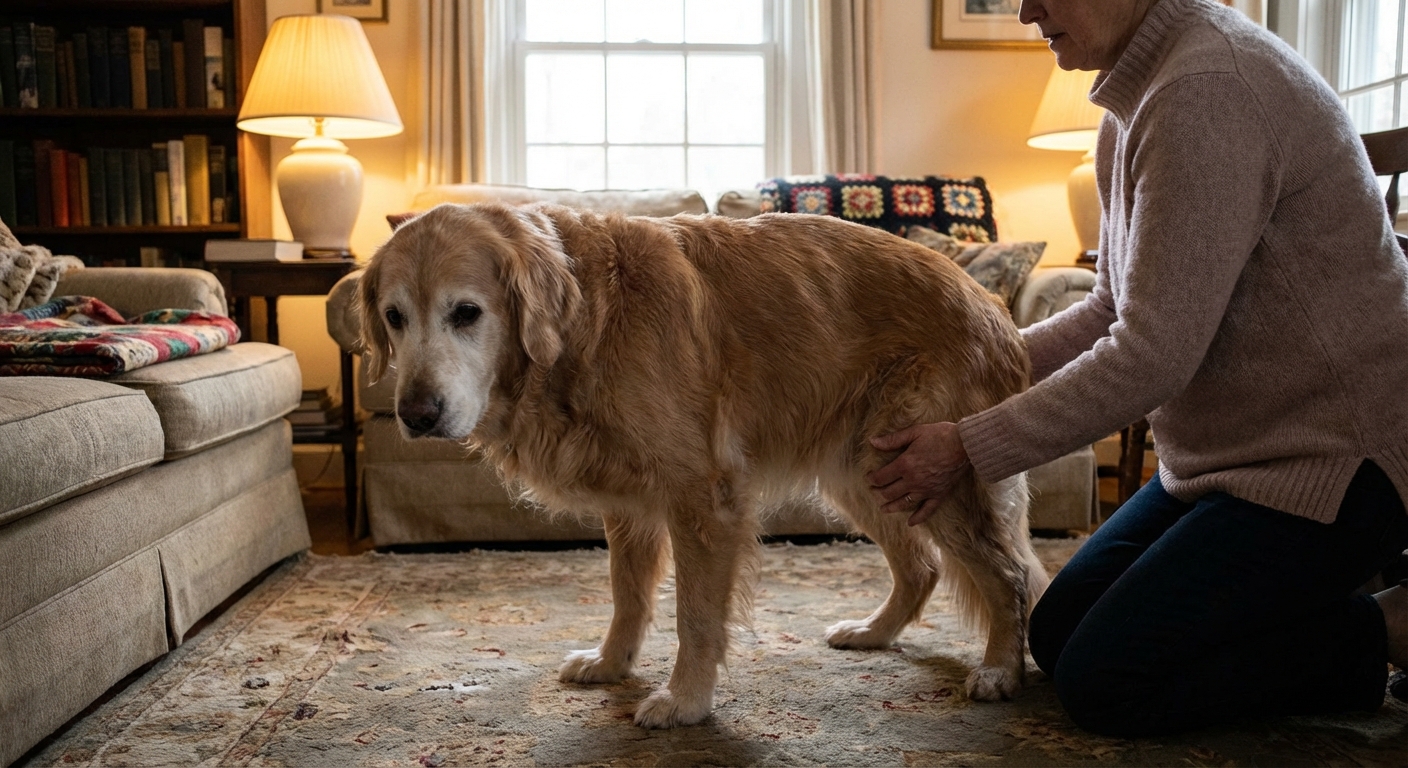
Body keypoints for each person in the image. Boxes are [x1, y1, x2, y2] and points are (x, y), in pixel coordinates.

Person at [865, 0, 1408, 738]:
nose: (1026, 11)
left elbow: (1150, 353)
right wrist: (966, 373)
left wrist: (967, 446)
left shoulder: (1206, 89)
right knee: (1057, 636)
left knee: (1109, 680)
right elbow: (1108, 310)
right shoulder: (1137, 91)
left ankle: (1388, 627)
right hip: (1228, 460)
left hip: (1335, 463)